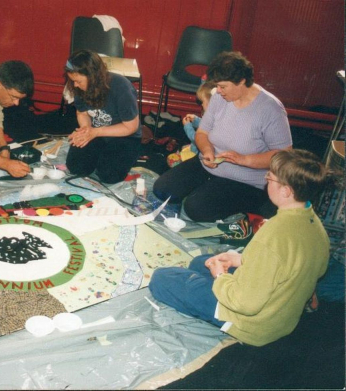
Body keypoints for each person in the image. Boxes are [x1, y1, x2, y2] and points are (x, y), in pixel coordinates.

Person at [150, 149, 336, 347]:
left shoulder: (274, 235)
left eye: (269, 178)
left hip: (252, 323)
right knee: (199, 263)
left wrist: (221, 276)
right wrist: (239, 260)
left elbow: (244, 303)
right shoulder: (314, 223)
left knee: (161, 279)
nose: (266, 181)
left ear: (286, 191)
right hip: (281, 310)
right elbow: (299, 266)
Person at [153, 51, 292, 222]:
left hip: (245, 179)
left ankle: (250, 206)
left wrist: (244, 159)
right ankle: (209, 190)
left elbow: (283, 156)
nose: (217, 91)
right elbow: (202, 133)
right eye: (217, 86)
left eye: (223, 86)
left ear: (241, 82)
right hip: (209, 165)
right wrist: (207, 150)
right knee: (162, 189)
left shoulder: (271, 109)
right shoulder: (219, 97)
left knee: (195, 209)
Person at [64, 50, 142, 184]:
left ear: (93, 77)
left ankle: (120, 157)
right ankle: (102, 155)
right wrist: (85, 129)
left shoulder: (121, 87)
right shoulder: (78, 86)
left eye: (78, 81)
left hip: (125, 136)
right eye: (73, 81)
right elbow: (82, 113)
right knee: (76, 167)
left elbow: (131, 127)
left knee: (109, 175)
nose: (75, 85)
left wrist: (95, 132)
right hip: (97, 133)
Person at [182, 80, 216, 155]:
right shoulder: (213, 116)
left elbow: (197, 139)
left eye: (203, 101)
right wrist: (195, 120)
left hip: (200, 153)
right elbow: (205, 125)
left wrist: (187, 126)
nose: (202, 104)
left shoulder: (215, 121)